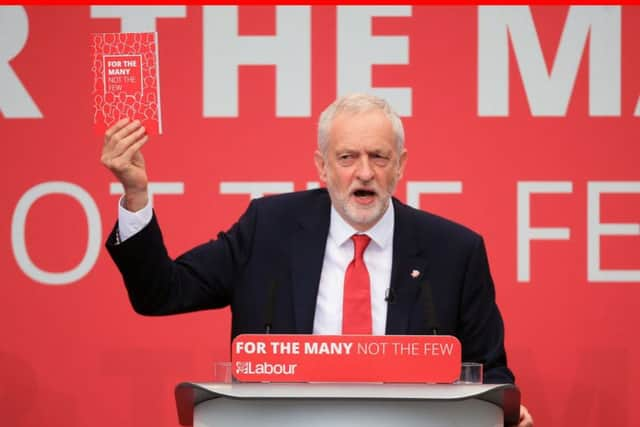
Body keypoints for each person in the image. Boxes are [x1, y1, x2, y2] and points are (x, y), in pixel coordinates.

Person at [101, 93, 533, 427]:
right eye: (347, 157)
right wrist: (135, 196)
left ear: (399, 166)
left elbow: (491, 375)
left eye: (378, 157)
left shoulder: (453, 250)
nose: (364, 172)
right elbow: (160, 293)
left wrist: (503, 412)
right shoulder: (268, 228)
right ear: (322, 167)